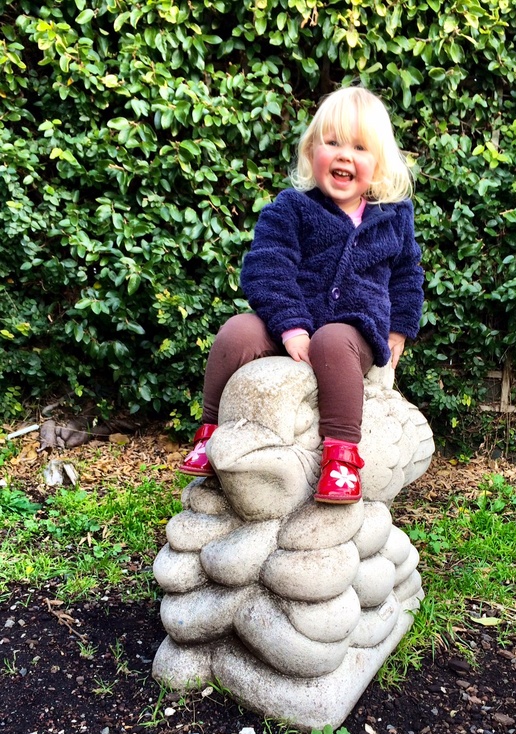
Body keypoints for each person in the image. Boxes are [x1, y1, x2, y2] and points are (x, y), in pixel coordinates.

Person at [179, 85, 424, 504]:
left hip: (354, 331)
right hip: (290, 323)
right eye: (333, 143)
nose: (344, 156)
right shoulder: (291, 208)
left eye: (359, 148)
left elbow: (407, 274)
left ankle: (342, 457)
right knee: (237, 331)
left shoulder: (393, 218)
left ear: (379, 164)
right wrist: (291, 327)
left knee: (333, 341)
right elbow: (267, 267)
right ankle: (210, 432)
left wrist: (399, 329)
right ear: (312, 152)